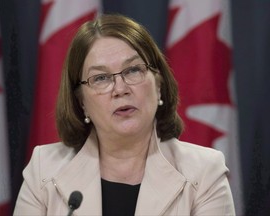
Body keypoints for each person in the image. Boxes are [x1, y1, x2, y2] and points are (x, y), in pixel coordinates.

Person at [14, 14, 235, 215]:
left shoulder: (205, 172)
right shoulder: (44, 169)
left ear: (158, 86)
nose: (120, 89)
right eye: (100, 78)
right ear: (82, 102)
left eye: (133, 70)